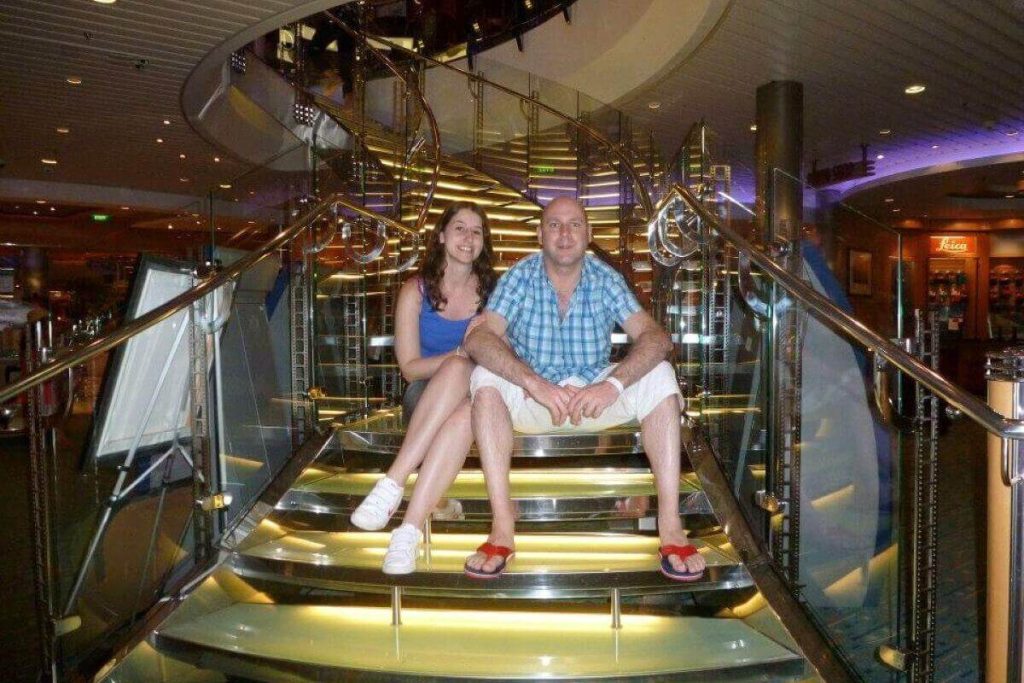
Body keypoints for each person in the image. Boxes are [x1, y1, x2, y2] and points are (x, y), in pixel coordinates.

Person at [462, 196, 707, 581]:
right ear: (540, 234)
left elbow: (656, 337)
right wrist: (532, 381)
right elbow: (479, 338)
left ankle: (671, 526)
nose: (564, 234)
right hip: (534, 398)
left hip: (593, 398)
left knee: (660, 373)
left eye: (574, 224)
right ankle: (502, 527)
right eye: (554, 225)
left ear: (588, 234)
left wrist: (612, 384)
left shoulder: (604, 278)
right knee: (484, 377)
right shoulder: (520, 276)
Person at [349, 201, 497, 575]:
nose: (468, 237)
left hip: (478, 393)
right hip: (427, 394)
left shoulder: (494, 293)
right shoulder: (415, 291)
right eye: (460, 228)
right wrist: (459, 355)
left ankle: (401, 516)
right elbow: (410, 368)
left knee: (468, 407)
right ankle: (404, 506)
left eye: (476, 231)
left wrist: (468, 359)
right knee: (458, 370)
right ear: (442, 236)